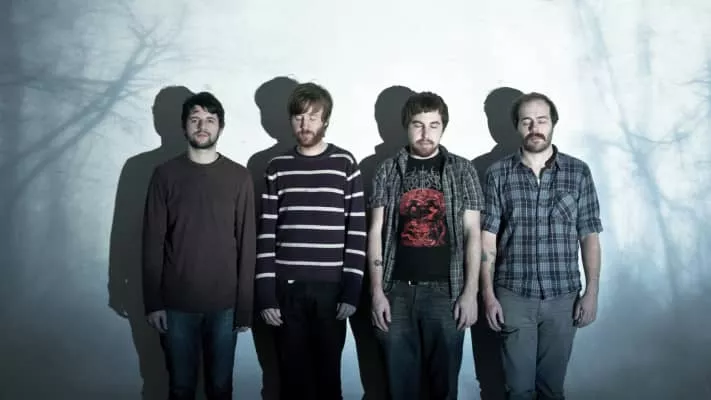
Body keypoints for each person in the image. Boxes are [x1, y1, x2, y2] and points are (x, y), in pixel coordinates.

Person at [480, 92, 603, 400]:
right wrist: (488, 296)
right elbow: (487, 239)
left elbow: (589, 235)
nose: (535, 128)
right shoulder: (497, 174)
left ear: (553, 124)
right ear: (517, 126)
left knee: (552, 390)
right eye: (527, 121)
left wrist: (592, 292)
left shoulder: (578, 172)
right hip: (513, 295)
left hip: (563, 297)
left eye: (542, 120)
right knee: (518, 390)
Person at [368, 91, 484, 399]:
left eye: (434, 125)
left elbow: (473, 233)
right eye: (418, 125)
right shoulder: (387, 169)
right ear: (406, 126)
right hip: (396, 292)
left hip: (447, 293)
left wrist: (470, 293)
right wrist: (377, 292)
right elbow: (376, 232)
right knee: (398, 388)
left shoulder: (463, 170)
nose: (425, 133)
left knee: (443, 388)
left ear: (443, 127)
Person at [254, 82, 367, 400]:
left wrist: (351, 290)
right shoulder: (276, 167)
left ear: (325, 121)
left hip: (331, 291)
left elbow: (356, 231)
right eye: (299, 117)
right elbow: (266, 233)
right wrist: (266, 295)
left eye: (313, 117)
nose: (305, 124)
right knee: (291, 380)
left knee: (328, 378)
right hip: (286, 289)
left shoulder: (345, 164)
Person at [142, 91, 256, 400]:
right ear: (184, 126)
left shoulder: (239, 177)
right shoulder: (165, 175)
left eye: (210, 120)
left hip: (226, 305)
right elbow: (152, 241)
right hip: (176, 304)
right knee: (180, 388)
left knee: (221, 388)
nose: (202, 126)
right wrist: (153, 302)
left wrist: (245, 306)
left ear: (221, 126)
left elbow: (247, 244)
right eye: (195, 120)